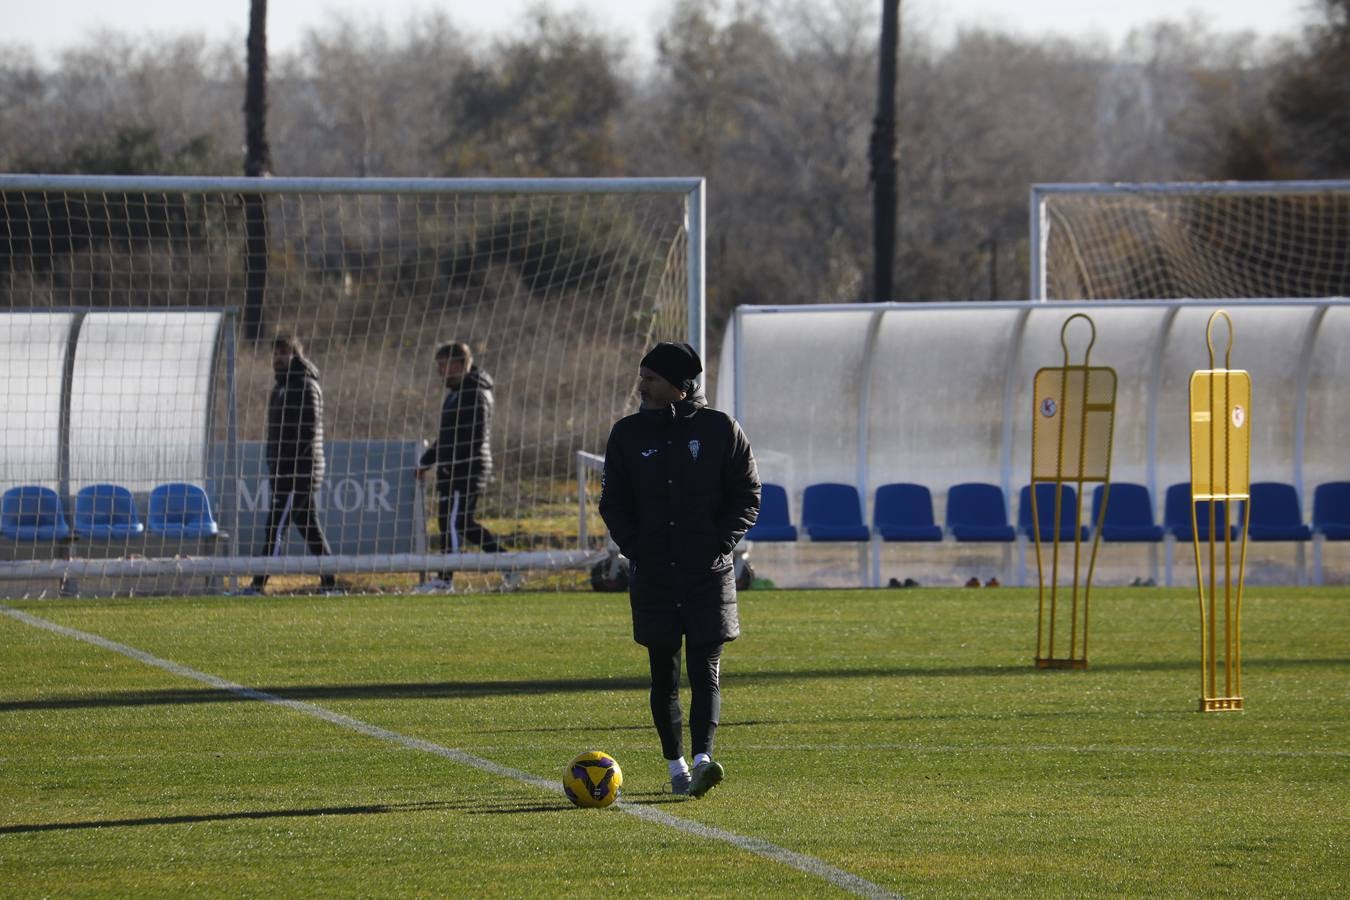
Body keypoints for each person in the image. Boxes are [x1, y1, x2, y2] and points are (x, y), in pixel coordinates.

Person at [598, 341, 760, 798]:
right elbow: (613, 502)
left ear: (680, 387)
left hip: (708, 572)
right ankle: (676, 767)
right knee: (663, 673)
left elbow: (747, 496)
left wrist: (719, 543)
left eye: (650, 378)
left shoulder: (721, 430)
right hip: (654, 573)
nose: (641, 385)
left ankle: (705, 757)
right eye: (642, 376)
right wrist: (637, 549)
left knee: (706, 667)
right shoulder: (626, 435)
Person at [414, 341, 510, 592]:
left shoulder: (474, 393)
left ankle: (445, 580)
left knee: (453, 523)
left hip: (465, 470)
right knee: (461, 524)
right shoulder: (456, 393)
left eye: (442, 366)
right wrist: (427, 460)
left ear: (457, 364)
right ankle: (511, 565)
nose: (439, 372)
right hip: (454, 468)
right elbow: (447, 435)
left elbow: (474, 437)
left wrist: (452, 464)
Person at [248, 334, 336, 594]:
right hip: (283, 470)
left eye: (284, 353)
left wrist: (287, 464)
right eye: (275, 353)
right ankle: (330, 584)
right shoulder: (280, 387)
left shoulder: (306, 386)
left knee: (275, 526)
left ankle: (257, 585)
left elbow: (306, 432)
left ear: (296, 356)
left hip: (298, 472)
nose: (278, 358)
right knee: (310, 530)